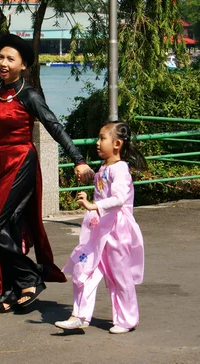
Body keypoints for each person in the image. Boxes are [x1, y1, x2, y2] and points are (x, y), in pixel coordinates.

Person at [0, 33, 94, 313]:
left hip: (20, 161)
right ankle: (10, 289)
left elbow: (54, 126)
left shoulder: (29, 95)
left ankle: (30, 276)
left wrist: (78, 160)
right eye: (0, 57)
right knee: (4, 227)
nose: (2, 63)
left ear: (23, 65)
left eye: (10, 59)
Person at [55, 121, 146, 334]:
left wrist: (93, 205)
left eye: (102, 138)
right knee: (83, 268)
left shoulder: (120, 169)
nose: (97, 143)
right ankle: (79, 316)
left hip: (117, 231)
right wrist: (90, 199)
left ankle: (126, 319)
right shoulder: (104, 168)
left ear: (116, 144)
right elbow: (103, 193)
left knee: (119, 276)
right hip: (97, 230)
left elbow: (119, 199)